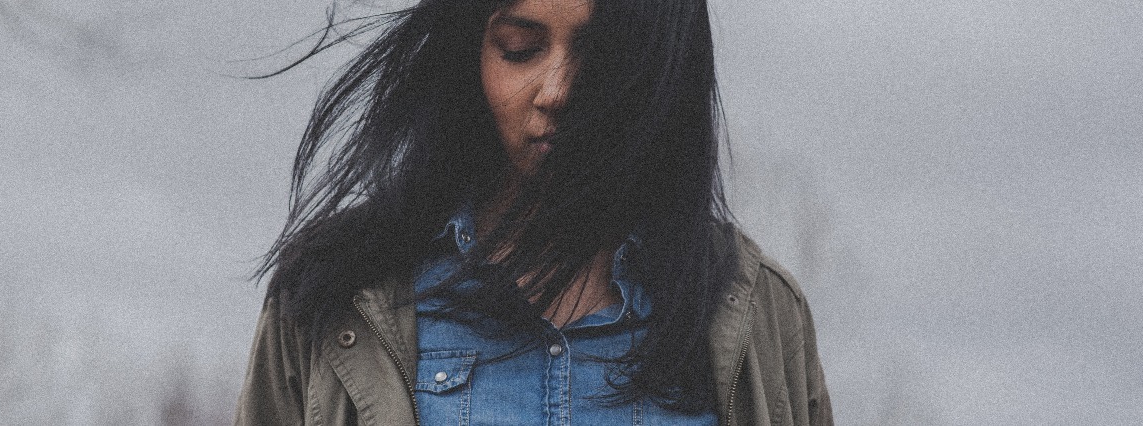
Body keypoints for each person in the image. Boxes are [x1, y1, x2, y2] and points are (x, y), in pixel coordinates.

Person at [236, 0, 832, 424]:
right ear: (469, 54)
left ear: (663, 64)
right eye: (519, 49)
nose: (557, 91)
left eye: (601, 54)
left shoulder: (757, 309)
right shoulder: (333, 299)